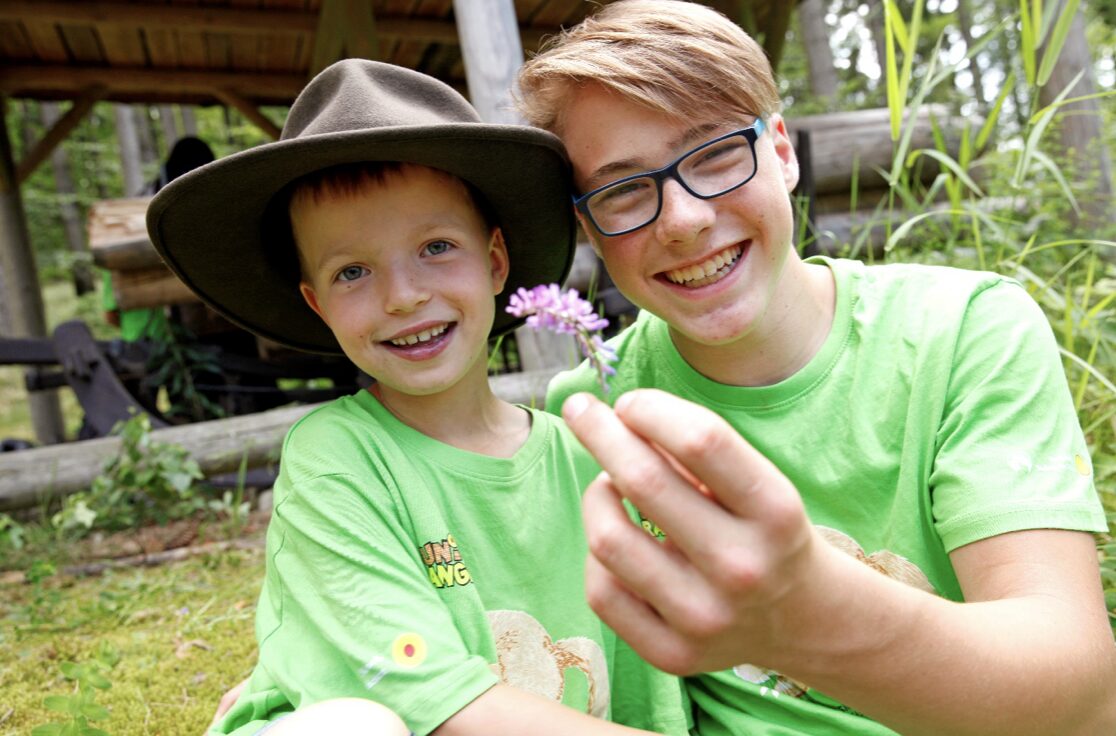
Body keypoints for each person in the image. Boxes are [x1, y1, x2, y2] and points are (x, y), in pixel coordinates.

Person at [515, 1, 1116, 735]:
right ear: (589, 228)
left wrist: (809, 612)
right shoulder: (591, 410)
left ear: (782, 150)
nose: (682, 219)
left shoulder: (964, 330)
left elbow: (1082, 698)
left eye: (714, 154)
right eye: (623, 189)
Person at [147, 59, 689, 736]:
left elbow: (650, 680)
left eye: (436, 246)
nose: (403, 296)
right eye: (352, 271)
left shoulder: (585, 459)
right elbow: (427, 697)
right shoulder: (338, 458)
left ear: (496, 262)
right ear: (316, 304)